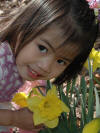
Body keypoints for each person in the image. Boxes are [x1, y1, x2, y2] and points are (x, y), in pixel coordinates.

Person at [0, 0, 99, 132]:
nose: (46, 67)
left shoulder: (13, 60)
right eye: (42, 48)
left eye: (61, 61)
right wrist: (13, 118)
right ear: (24, 27)